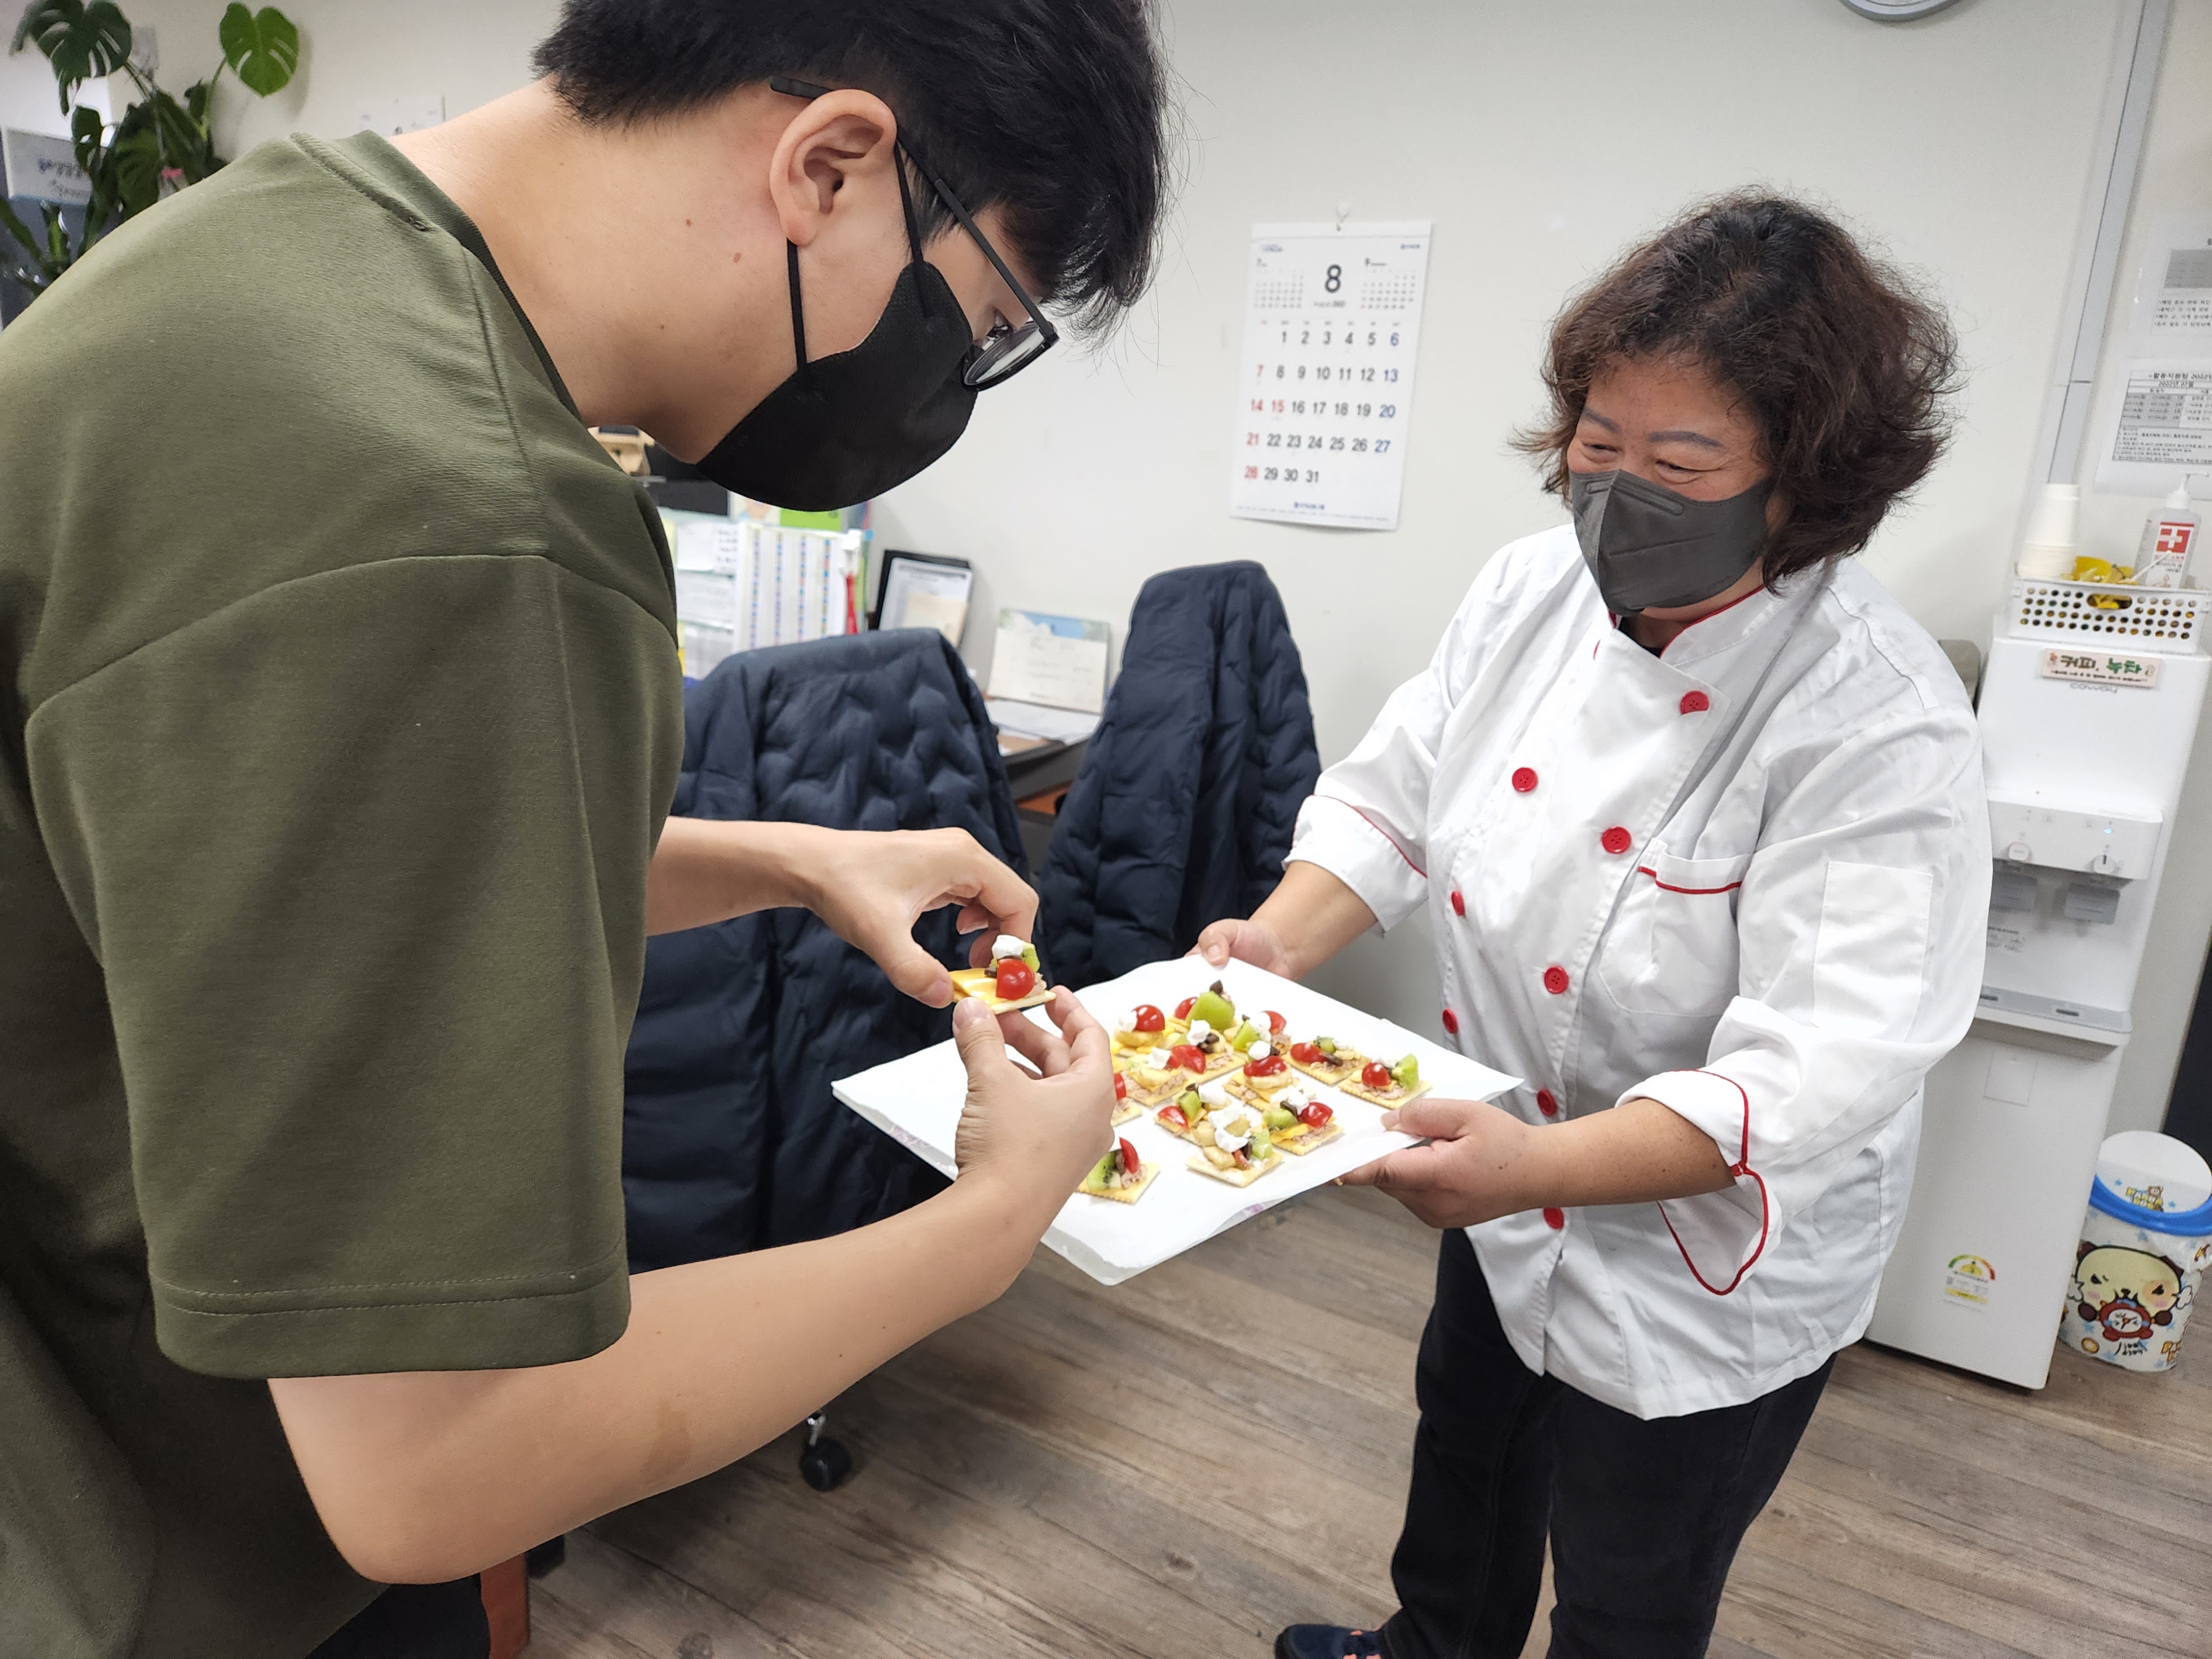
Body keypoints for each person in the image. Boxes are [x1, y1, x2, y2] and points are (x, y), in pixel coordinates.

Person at [0, 2, 1166, 1654]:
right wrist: (990, 1223)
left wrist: (789, 862)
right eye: (966, 327)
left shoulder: (260, 256)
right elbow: (435, 1463)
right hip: (164, 1542)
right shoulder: (469, 528)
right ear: (831, 165)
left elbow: (283, 879)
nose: (942, 390)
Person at [1199, 195, 1990, 1659]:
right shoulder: (1527, 593)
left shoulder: (1875, 718)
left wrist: (1537, 1170)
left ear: (1805, 482)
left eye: (1680, 464)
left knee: (1634, 1582)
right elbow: (1393, 801)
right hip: (1501, 1164)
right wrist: (1277, 942)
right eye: (1598, 445)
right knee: (1467, 1461)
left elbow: (1813, 1064)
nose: (1620, 496)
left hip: (1698, 1251)